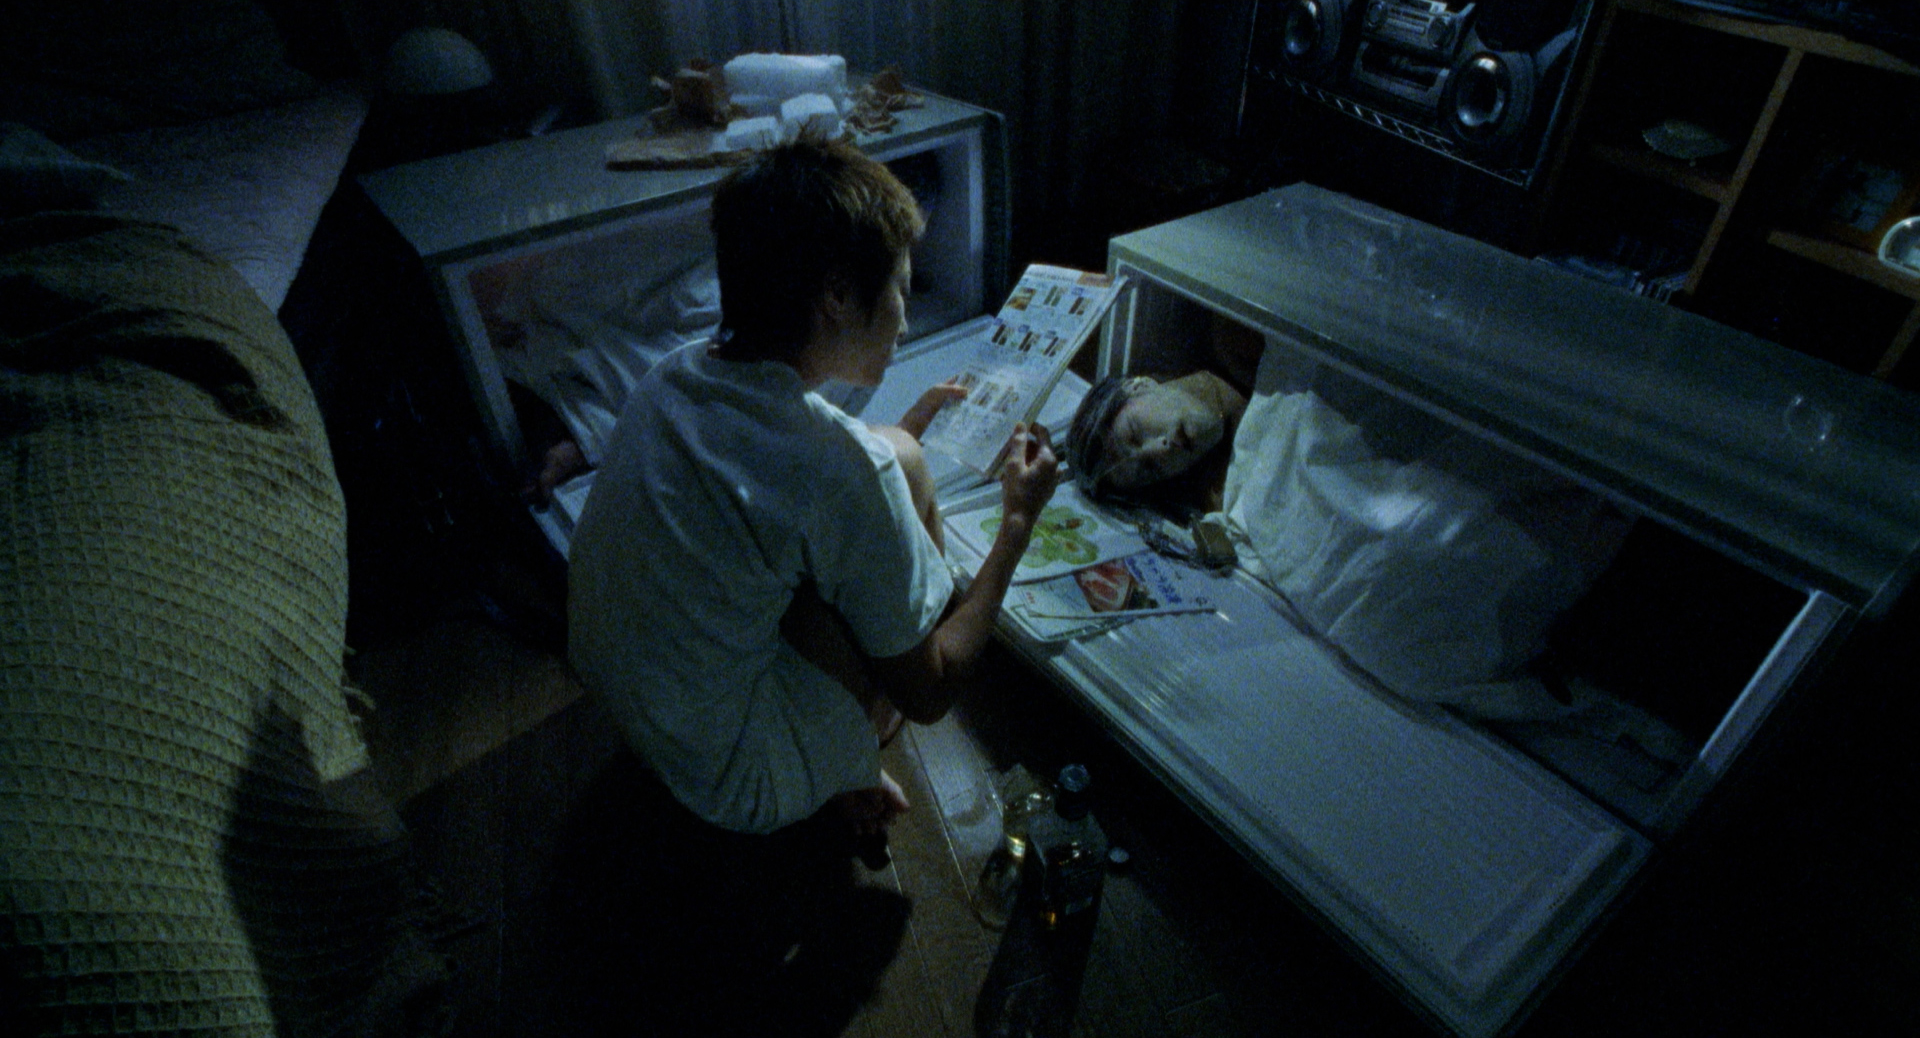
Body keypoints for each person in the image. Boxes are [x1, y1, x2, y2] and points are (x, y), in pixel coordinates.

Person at [567, 135, 1060, 839]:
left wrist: (890, 451)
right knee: (895, 469)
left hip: (635, 712)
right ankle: (828, 765)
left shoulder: (674, 373)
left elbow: (789, 480)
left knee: (894, 453)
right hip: (731, 779)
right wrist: (1017, 523)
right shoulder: (839, 467)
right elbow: (930, 696)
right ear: (835, 296)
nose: (906, 318)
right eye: (901, 289)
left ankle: (827, 742)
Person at [1065, 369, 1247, 518]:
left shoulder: (1238, 348)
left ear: (1138, 386)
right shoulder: (1235, 507)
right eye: (1149, 467)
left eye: (1135, 434)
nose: (1161, 449)